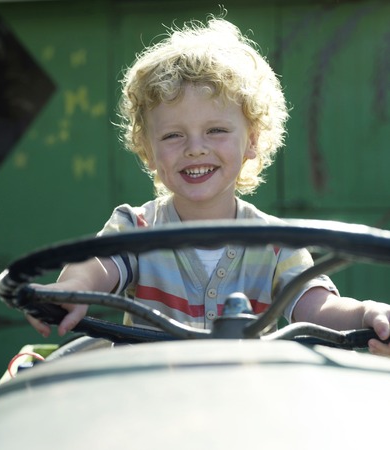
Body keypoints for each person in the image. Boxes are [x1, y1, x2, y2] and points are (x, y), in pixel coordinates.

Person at [26, 15, 390, 356]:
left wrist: (365, 313)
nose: (195, 147)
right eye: (172, 135)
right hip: (150, 404)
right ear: (147, 151)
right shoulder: (136, 230)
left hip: (246, 403)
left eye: (216, 130)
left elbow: (317, 306)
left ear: (252, 140)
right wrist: (72, 289)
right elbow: (99, 265)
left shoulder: (277, 244)